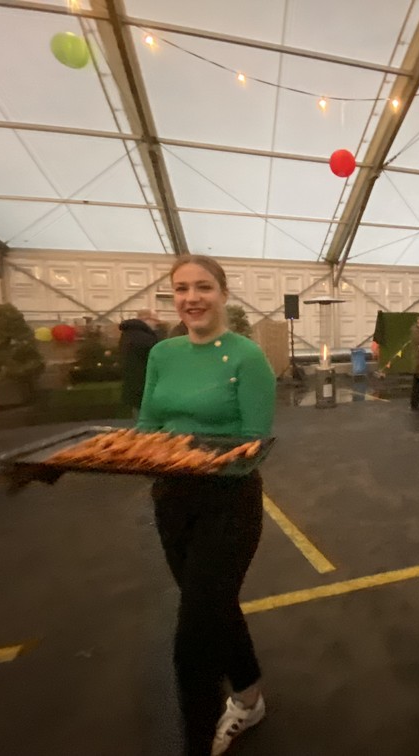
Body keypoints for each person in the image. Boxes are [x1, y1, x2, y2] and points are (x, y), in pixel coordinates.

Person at [137, 254, 276, 756]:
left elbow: (253, 444)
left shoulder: (247, 357)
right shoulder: (163, 353)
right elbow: (148, 425)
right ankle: (249, 698)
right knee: (215, 609)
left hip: (228, 504)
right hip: (171, 500)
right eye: (181, 289)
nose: (191, 298)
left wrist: (191, 458)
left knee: (193, 639)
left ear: (223, 294)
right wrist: (139, 454)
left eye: (203, 287)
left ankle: (195, 742)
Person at [118, 308, 161, 413]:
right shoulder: (145, 338)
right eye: (155, 320)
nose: (157, 324)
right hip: (144, 386)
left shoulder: (127, 334)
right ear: (146, 319)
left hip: (132, 385)